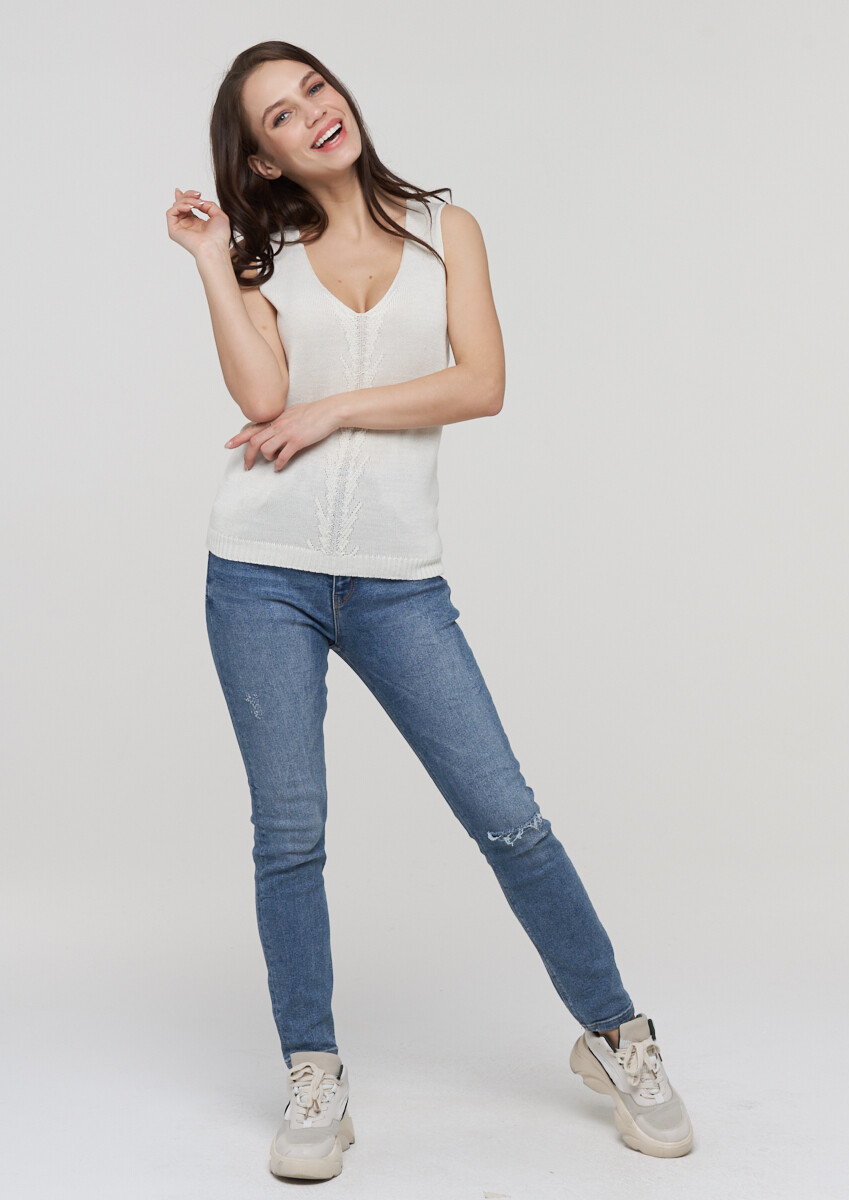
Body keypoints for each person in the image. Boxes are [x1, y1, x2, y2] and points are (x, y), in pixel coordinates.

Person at [167, 40, 693, 1181]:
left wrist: (334, 411)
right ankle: (315, 1072)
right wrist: (211, 259)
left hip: (398, 579)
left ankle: (615, 1036)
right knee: (290, 834)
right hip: (259, 568)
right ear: (260, 159)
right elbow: (262, 395)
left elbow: (480, 383)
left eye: (315, 88)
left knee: (509, 818)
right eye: (279, 116)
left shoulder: (446, 230)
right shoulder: (262, 255)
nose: (314, 112)